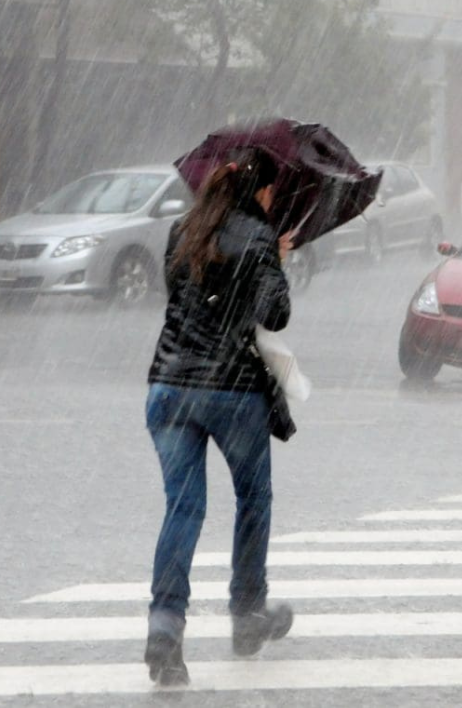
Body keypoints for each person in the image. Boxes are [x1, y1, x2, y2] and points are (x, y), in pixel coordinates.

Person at [143, 147, 295, 687]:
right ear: (260, 191)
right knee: (253, 498)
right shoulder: (258, 238)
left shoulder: (181, 230)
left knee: (182, 510)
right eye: (273, 192)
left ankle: (164, 628)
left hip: (167, 387)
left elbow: (183, 298)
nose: (273, 200)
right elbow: (274, 313)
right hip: (231, 392)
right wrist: (274, 257)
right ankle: (248, 614)